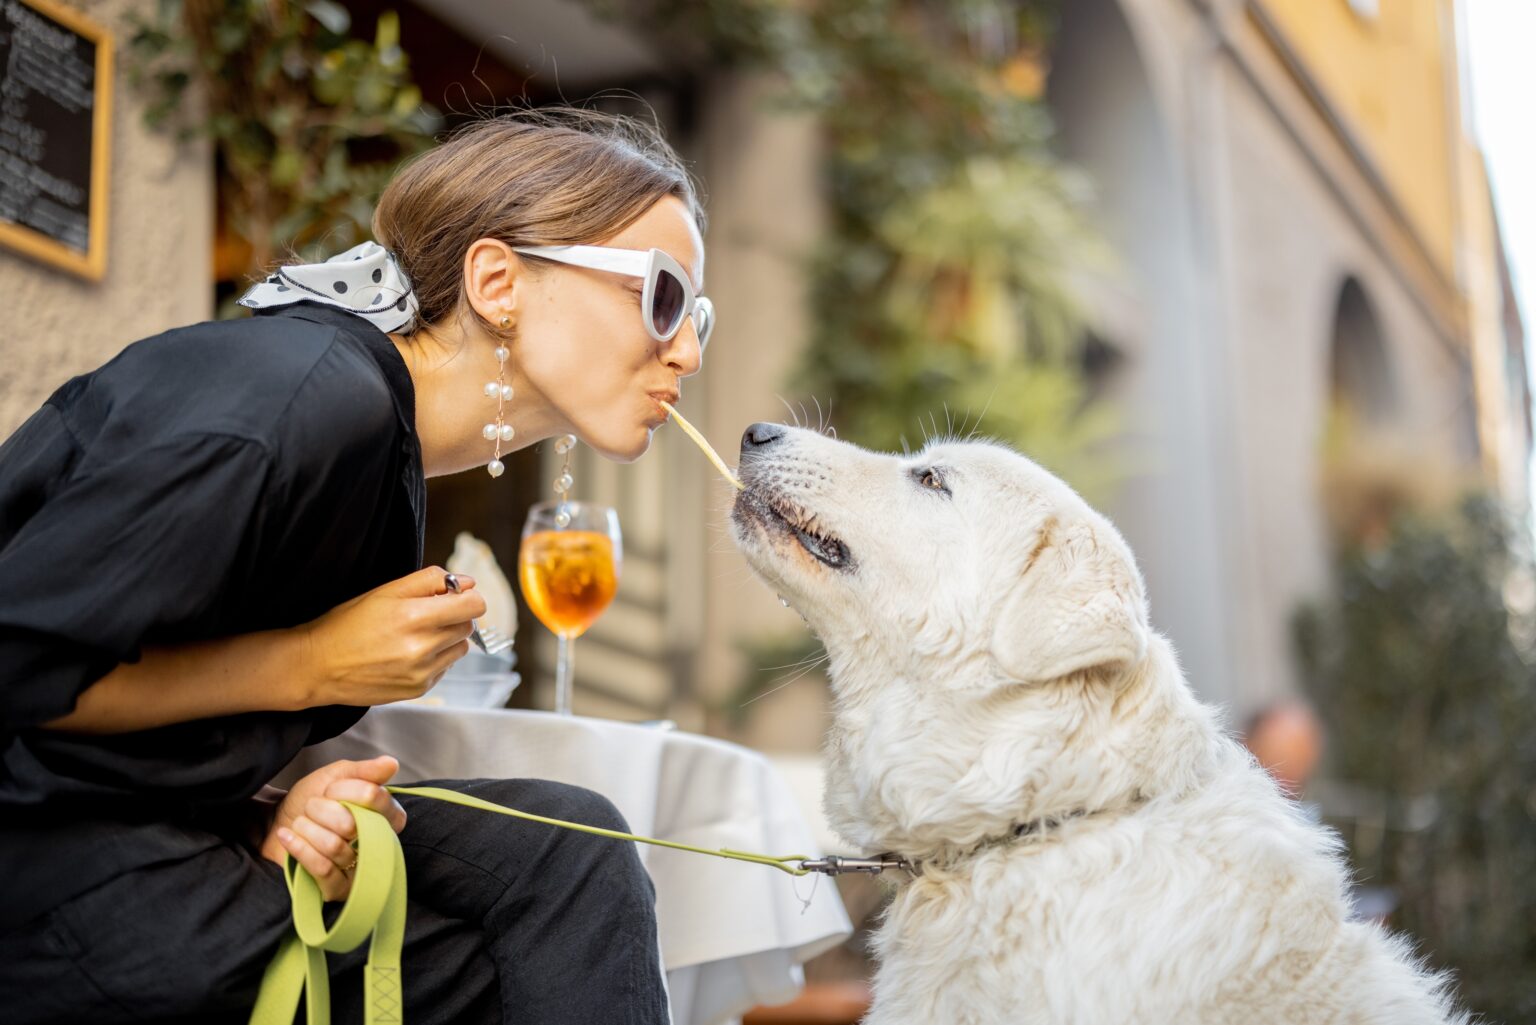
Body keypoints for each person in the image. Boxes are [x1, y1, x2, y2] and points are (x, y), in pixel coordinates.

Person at [0, 107, 711, 1024]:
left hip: (154, 810)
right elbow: (19, 662)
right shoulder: (298, 400)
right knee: (487, 972)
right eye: (660, 297)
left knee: (571, 850)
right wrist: (311, 664)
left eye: (698, 316)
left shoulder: (378, 444)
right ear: (498, 280)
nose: (686, 350)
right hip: (46, 857)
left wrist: (278, 809)